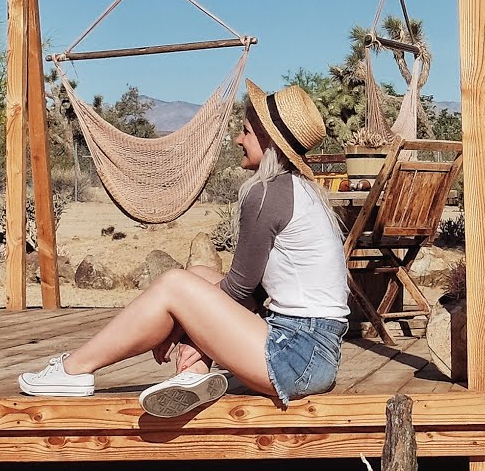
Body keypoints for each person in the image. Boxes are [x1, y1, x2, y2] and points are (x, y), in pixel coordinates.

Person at [19, 81, 349, 415]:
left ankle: (75, 369)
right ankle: (192, 375)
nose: (238, 139)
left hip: (294, 354)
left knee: (175, 284)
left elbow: (240, 288)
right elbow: (254, 292)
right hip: (315, 354)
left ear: (268, 140)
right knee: (199, 275)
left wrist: (183, 329)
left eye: (246, 132)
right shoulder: (300, 191)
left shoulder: (266, 192)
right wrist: (193, 326)